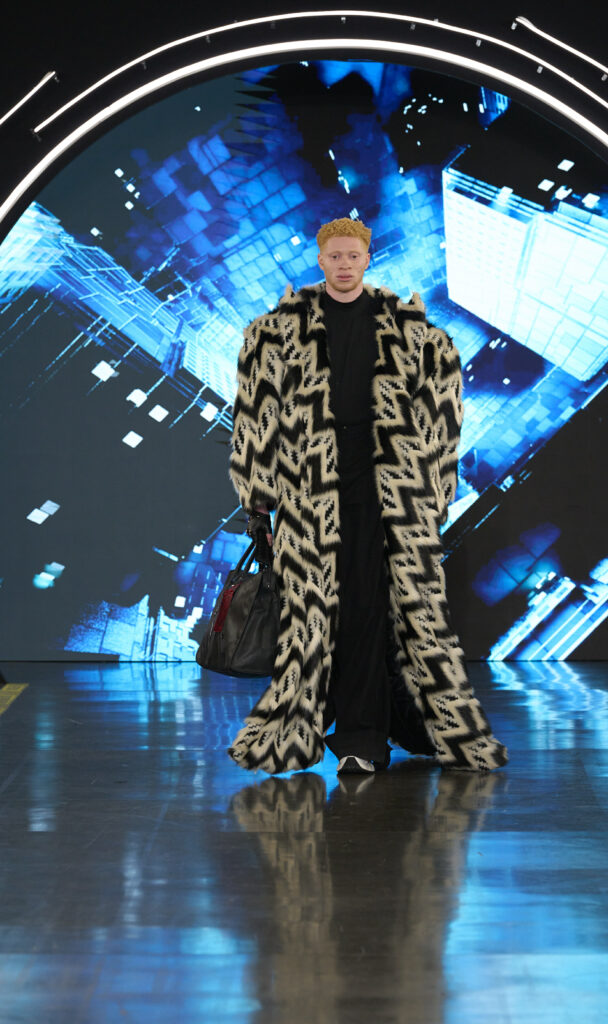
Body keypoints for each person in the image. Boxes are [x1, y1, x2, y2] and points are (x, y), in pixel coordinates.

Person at [228, 217, 508, 776]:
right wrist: (257, 490)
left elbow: (442, 415)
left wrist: (434, 487)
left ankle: (364, 739)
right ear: (320, 259)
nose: (344, 265)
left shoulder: (411, 332)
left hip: (387, 489)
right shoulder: (275, 332)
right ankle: (327, 724)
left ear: (367, 258)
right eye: (335, 256)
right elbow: (254, 412)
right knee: (316, 614)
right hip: (310, 489)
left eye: (353, 256)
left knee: (376, 610)